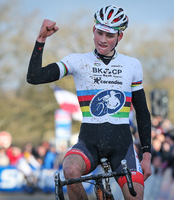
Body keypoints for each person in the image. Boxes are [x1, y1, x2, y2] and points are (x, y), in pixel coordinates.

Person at [27, 5, 152, 200]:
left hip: (123, 146)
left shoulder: (132, 65)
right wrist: (41, 39)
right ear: (93, 30)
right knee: (69, 169)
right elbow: (34, 77)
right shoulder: (78, 61)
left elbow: (143, 112)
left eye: (109, 36)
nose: (102, 40)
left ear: (119, 37)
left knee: (135, 197)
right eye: (99, 32)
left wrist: (146, 155)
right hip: (89, 142)